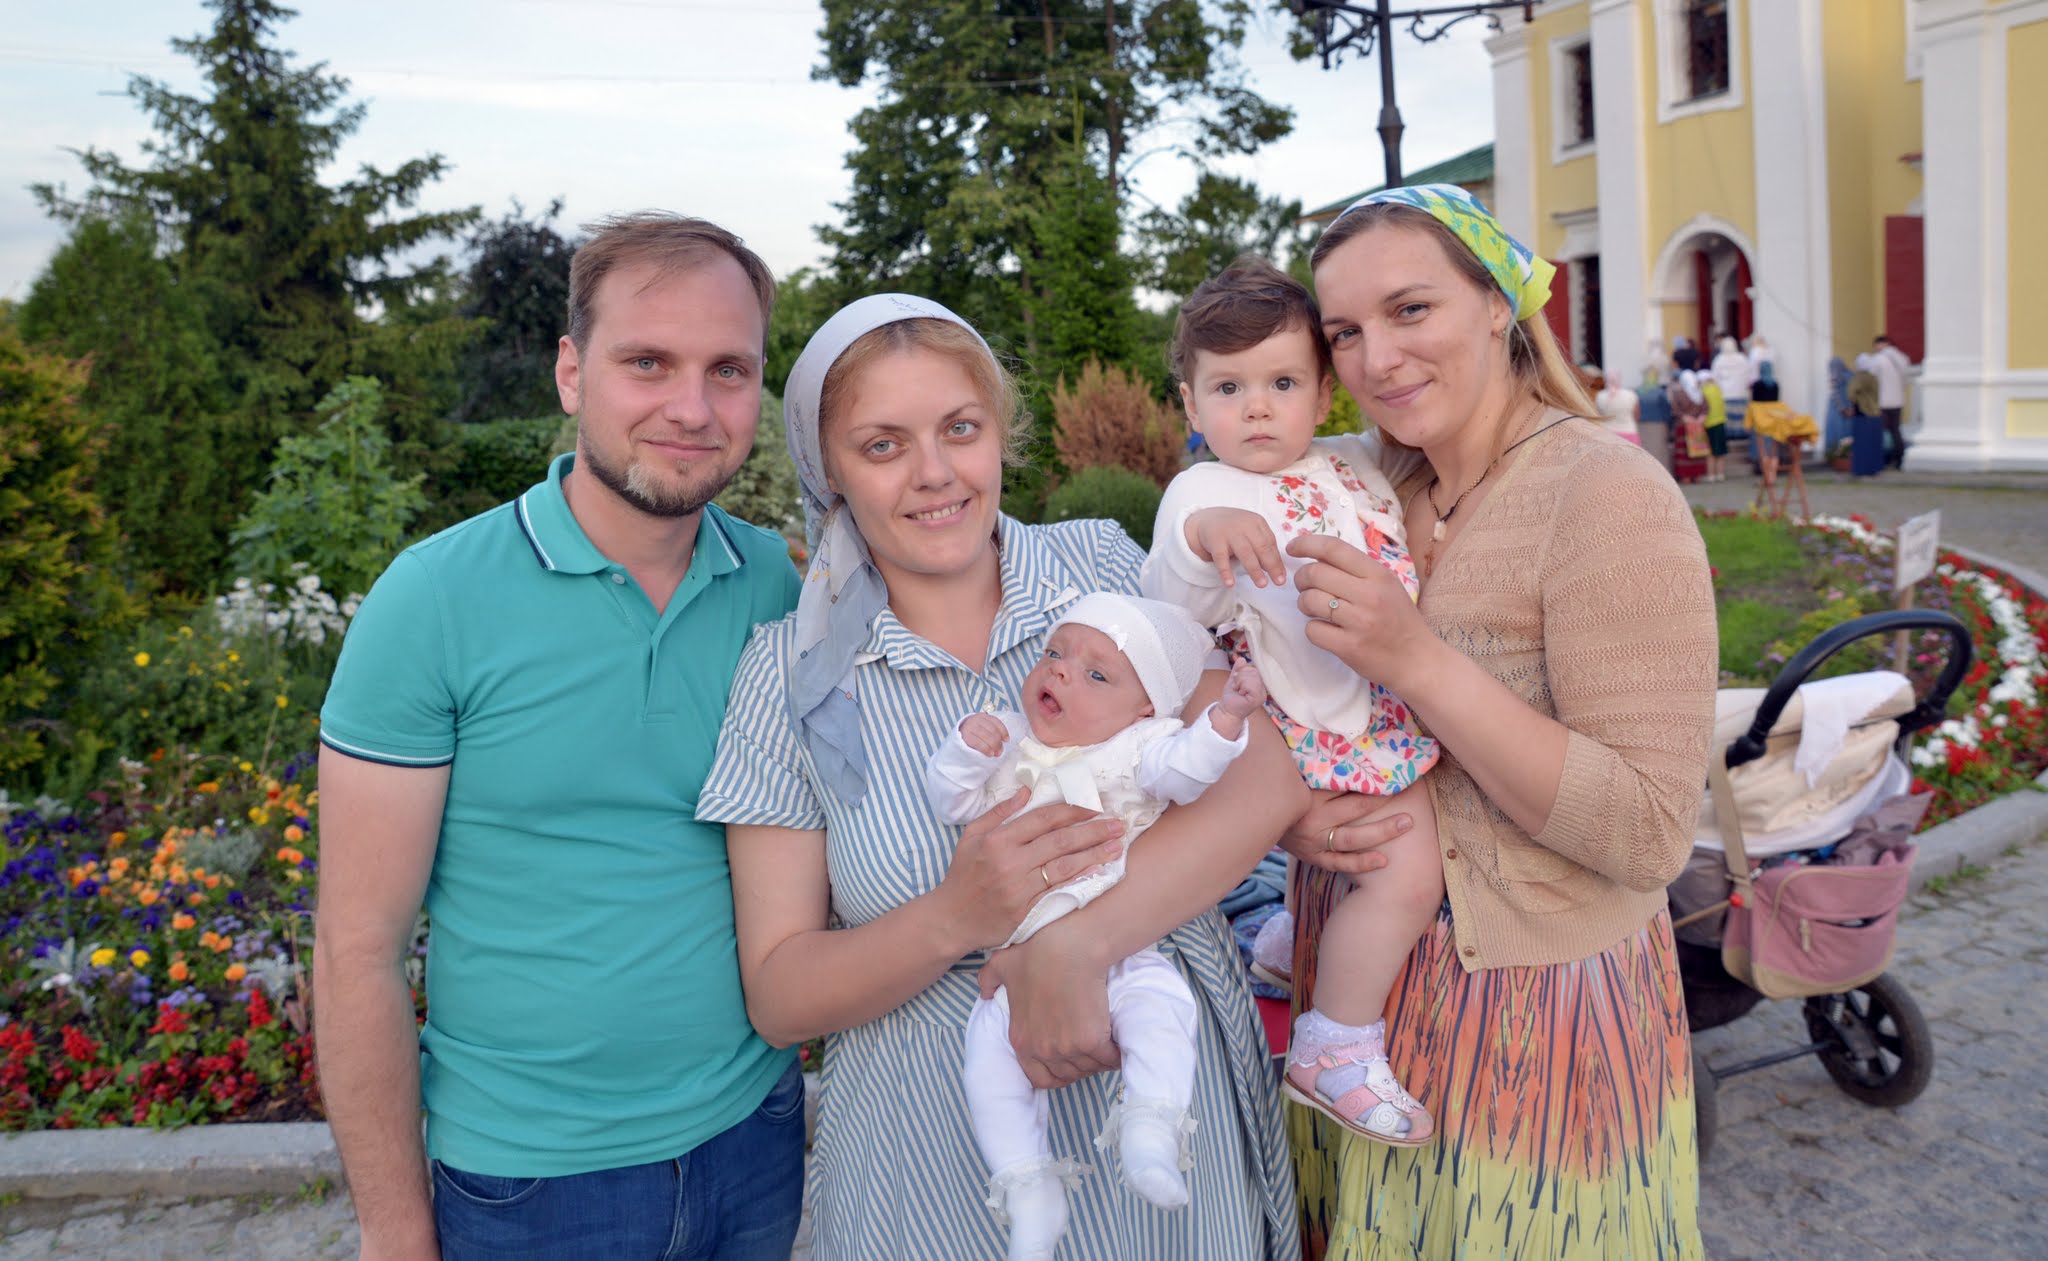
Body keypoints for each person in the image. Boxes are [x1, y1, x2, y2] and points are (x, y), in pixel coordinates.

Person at [695, 294, 1304, 1261]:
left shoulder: (1102, 565)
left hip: (1169, 1159)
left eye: (960, 429)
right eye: (883, 445)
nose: (935, 473)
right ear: (828, 470)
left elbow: (1265, 774)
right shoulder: (789, 674)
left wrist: (1075, 946)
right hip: (931, 1172)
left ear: (998, 434)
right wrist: (957, 915)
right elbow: (779, 993)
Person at [313, 214, 807, 1260]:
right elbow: (357, 951)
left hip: (755, 1135)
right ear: (572, 372)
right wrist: (394, 1232)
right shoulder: (433, 601)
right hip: (531, 1181)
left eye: (727, 370)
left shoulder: (772, 582)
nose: (692, 407)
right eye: (648, 362)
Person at [1296, 183, 1717, 1259]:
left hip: (1533, 1012)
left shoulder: (1603, 492)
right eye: (1343, 332)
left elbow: (1647, 832)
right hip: (1357, 993)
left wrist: (1414, 658)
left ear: (1496, 304)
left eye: (1409, 309)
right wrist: (1297, 821)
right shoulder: (1367, 487)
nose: (1376, 357)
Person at [1138, 257, 1443, 1152]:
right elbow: (1171, 601)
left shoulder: (1352, 463)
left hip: (1366, 708)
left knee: (1377, 865)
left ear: (1323, 393)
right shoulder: (1203, 491)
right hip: (1301, 729)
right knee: (1409, 871)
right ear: (1192, 406)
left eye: (1282, 383)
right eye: (1228, 388)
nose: (1257, 409)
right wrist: (1206, 539)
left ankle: (1284, 941)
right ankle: (1335, 1043)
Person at [926, 593, 1267, 1260]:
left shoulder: (1138, 748)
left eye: (1096, 674)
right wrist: (966, 750)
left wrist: (1224, 718)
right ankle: (1029, 1189)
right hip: (1014, 966)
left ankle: (1150, 1129)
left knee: (1163, 1011)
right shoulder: (1008, 742)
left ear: (1144, 710)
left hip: (1121, 947)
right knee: (987, 1066)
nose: (1060, 670)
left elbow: (1186, 772)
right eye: (1055, 653)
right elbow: (951, 800)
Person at [1871, 334, 1914, 469]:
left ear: (1880, 344)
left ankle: (1882, 459)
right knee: (1896, 430)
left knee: (1881, 430)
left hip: (1882, 401)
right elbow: (1906, 380)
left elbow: (1872, 379)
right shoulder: (1903, 358)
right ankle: (1899, 459)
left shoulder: (1878, 359)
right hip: (1898, 400)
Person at [1594, 365, 1642, 445]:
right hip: (1629, 432)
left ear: (1606, 380)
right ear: (1619, 379)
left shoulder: (1600, 396)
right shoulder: (1631, 395)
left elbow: (1598, 415)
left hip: (1607, 434)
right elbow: (1637, 416)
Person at [1700, 369, 1730, 482]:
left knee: (1710, 451)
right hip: (1721, 422)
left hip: (1709, 423)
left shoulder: (1703, 390)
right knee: (1721, 451)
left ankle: (1711, 474)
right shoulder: (1717, 389)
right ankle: (1720, 474)